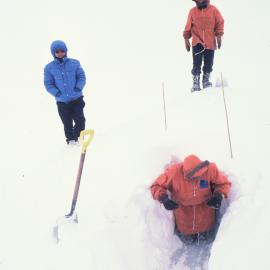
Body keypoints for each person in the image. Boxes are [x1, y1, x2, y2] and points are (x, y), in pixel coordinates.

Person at [150, 154, 231, 244]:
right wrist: (163, 198)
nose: (197, 179)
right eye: (194, 177)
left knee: (206, 239)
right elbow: (156, 186)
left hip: (205, 213)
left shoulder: (210, 169)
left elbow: (224, 183)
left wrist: (218, 195)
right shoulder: (174, 172)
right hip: (184, 215)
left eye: (199, 176)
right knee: (188, 240)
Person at [44, 40, 86, 144]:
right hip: (62, 101)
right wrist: (56, 93)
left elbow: (81, 76)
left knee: (80, 120)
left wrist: (78, 87)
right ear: (53, 53)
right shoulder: (49, 68)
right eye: (57, 51)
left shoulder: (75, 63)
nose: (60, 53)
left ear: (66, 51)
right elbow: (48, 83)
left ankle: (79, 138)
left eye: (62, 50)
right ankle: (71, 140)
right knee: (67, 122)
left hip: (76, 98)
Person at [183, 0, 224, 92]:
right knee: (196, 64)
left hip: (210, 43)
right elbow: (188, 26)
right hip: (197, 42)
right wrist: (186, 38)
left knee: (209, 64)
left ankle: (206, 80)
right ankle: (196, 82)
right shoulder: (192, 12)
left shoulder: (213, 10)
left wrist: (219, 36)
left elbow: (220, 22)